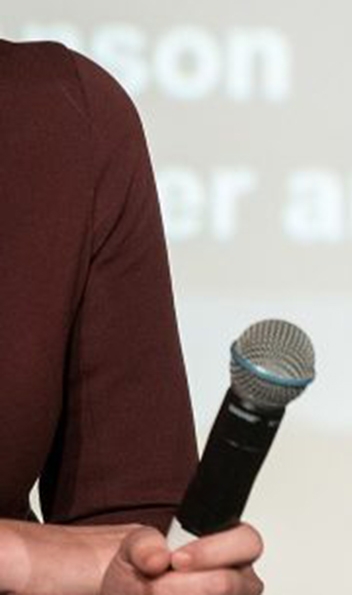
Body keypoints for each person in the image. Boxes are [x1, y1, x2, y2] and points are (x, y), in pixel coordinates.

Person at [0, 40, 265, 595]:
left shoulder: (64, 112)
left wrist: (167, 576)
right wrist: (27, 559)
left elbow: (130, 523)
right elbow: (74, 561)